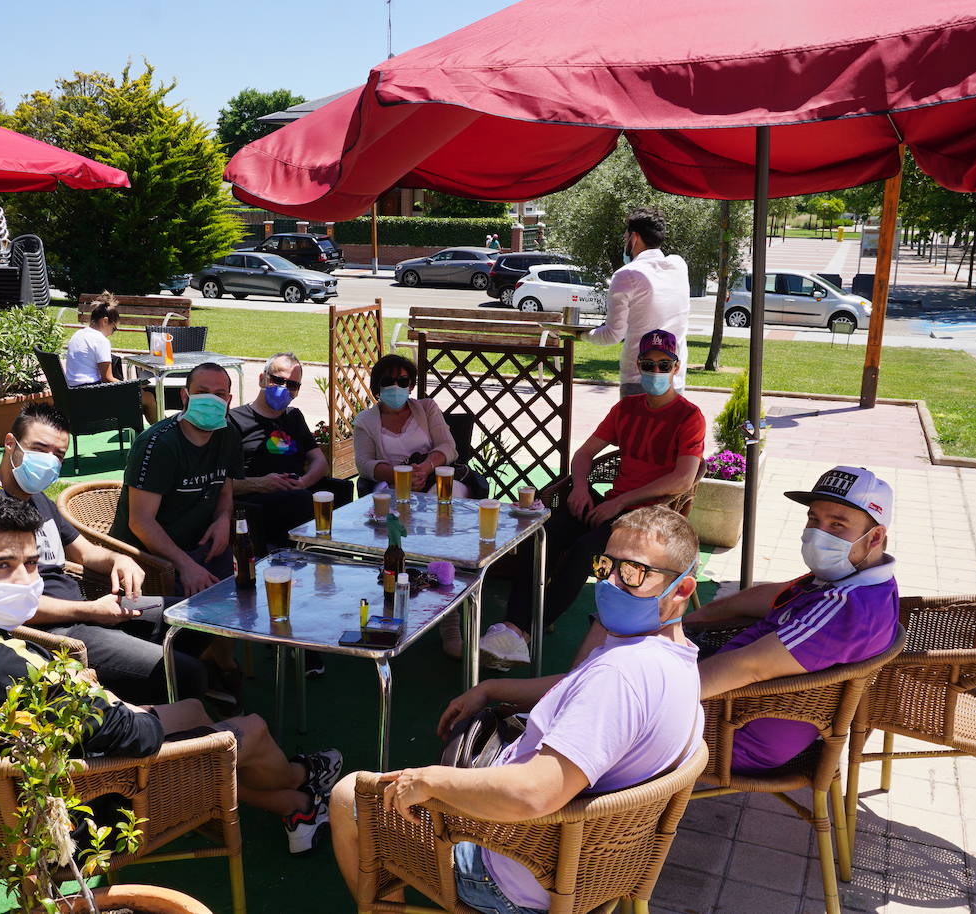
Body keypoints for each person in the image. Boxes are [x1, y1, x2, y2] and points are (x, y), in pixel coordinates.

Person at [0, 491, 345, 854]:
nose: (23, 580)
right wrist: (97, 695)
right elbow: (139, 738)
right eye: (2, 565)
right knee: (251, 728)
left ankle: (297, 805)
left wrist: (92, 695)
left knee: (192, 708)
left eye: (32, 563)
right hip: (84, 816)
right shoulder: (10, 666)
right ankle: (304, 785)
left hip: (5, 805)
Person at [330, 506, 704, 913]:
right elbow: (577, 689)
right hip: (593, 867)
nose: (611, 583)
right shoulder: (678, 662)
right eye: (606, 566)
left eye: (633, 573)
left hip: (514, 868)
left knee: (349, 795)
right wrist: (491, 688)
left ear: (681, 591)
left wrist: (431, 780)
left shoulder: (620, 676)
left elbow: (534, 793)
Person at [479, 329, 704, 669]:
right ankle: (515, 624)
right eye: (648, 364)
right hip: (611, 507)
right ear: (638, 366)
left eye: (663, 364)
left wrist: (620, 501)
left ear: (676, 367)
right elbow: (584, 455)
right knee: (540, 535)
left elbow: (683, 478)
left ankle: (522, 632)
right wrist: (582, 488)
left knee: (586, 552)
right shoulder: (626, 408)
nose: (655, 372)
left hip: (650, 519)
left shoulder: (689, 416)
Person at [683, 465, 900, 773]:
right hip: (731, 706)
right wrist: (692, 622)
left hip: (733, 733)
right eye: (814, 519)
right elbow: (773, 597)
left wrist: (659, 701)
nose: (819, 533)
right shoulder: (853, 577)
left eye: (837, 525)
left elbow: (750, 666)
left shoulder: (846, 606)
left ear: (875, 536)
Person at [0, 402, 207, 705]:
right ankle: (152, 721)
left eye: (58, 454)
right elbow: (9, 606)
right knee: (186, 673)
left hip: (87, 611)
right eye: (40, 448)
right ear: (11, 444)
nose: (49, 461)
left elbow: (87, 553)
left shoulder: (37, 499)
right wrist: (92, 611)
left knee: (198, 617)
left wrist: (120, 559)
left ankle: (144, 695)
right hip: (54, 633)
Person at [110, 363, 243, 598]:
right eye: (202, 393)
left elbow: (225, 490)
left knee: (246, 596)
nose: (211, 400)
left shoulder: (228, 434)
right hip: (152, 560)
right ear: (185, 396)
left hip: (202, 546)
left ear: (229, 400)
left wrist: (223, 518)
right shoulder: (159, 444)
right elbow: (140, 522)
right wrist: (186, 566)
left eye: (219, 394)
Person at [230, 352, 354, 550]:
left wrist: (303, 483)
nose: (284, 389)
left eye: (292, 385)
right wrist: (261, 484)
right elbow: (223, 483)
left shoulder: (293, 416)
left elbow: (320, 463)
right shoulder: (235, 421)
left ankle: (338, 556)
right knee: (300, 500)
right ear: (262, 379)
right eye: (278, 380)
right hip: (257, 500)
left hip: (296, 492)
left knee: (338, 490)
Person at [582, 209, 691, 396]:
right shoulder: (678, 265)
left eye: (625, 239)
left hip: (638, 379)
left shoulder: (627, 274)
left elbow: (612, 335)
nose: (625, 244)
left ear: (634, 238)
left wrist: (581, 334)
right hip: (674, 380)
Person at [352, 354, 477, 500]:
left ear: (411, 386)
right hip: (393, 486)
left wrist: (424, 469)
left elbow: (448, 446)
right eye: (388, 381)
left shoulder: (427, 408)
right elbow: (364, 464)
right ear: (377, 387)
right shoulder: (365, 420)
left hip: (434, 479)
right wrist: (402, 476)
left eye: (402, 381)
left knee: (444, 493)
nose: (395, 386)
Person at [65, 294, 121, 387]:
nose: (111, 333)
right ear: (105, 321)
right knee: (145, 395)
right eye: (113, 329)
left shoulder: (78, 334)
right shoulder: (101, 340)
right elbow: (107, 379)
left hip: (71, 389)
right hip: (89, 391)